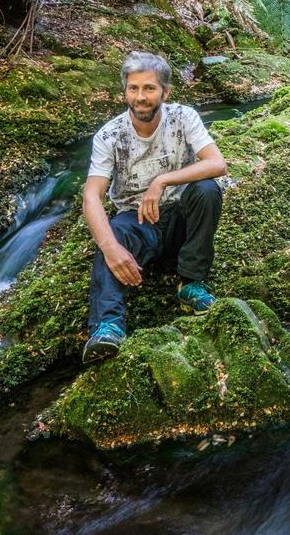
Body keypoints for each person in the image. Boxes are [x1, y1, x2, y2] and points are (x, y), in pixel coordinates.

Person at [80, 51, 228, 363]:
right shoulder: (109, 135)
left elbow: (217, 163)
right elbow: (92, 196)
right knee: (113, 233)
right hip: (137, 223)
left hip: (180, 221)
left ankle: (191, 283)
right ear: (125, 92)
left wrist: (162, 181)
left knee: (206, 189)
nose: (140, 97)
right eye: (133, 88)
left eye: (149, 88)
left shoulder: (183, 117)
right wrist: (110, 249)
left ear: (165, 92)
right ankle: (108, 326)